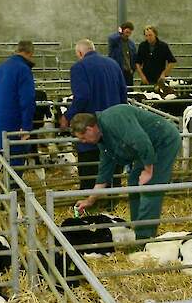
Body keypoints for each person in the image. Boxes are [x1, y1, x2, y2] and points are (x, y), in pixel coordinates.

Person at [71, 106, 181, 240]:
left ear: (90, 129)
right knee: (134, 182)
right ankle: (137, 228)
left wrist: (148, 170)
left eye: (83, 138)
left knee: (150, 187)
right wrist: (89, 200)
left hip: (163, 141)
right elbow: (104, 175)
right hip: (146, 149)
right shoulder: (103, 141)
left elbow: (140, 140)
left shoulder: (114, 119)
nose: (83, 142)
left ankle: (144, 239)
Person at [61, 38, 128, 190]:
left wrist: (67, 116)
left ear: (79, 53)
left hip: (89, 127)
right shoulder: (113, 64)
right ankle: (112, 199)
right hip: (113, 125)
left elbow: (82, 96)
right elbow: (123, 93)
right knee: (112, 161)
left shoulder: (79, 67)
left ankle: (90, 200)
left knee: (90, 165)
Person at [0, 40, 36, 169]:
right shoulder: (23, 69)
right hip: (15, 125)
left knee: (5, 163)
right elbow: (27, 99)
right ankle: (13, 188)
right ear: (30, 53)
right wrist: (26, 127)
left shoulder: (0, 68)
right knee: (16, 165)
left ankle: (7, 187)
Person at [107, 21, 137, 87]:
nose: (127, 35)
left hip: (128, 72)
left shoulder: (131, 44)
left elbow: (134, 58)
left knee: (129, 91)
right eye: (126, 32)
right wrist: (119, 33)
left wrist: (133, 69)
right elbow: (111, 38)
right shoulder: (115, 41)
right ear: (122, 31)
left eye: (129, 33)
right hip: (117, 70)